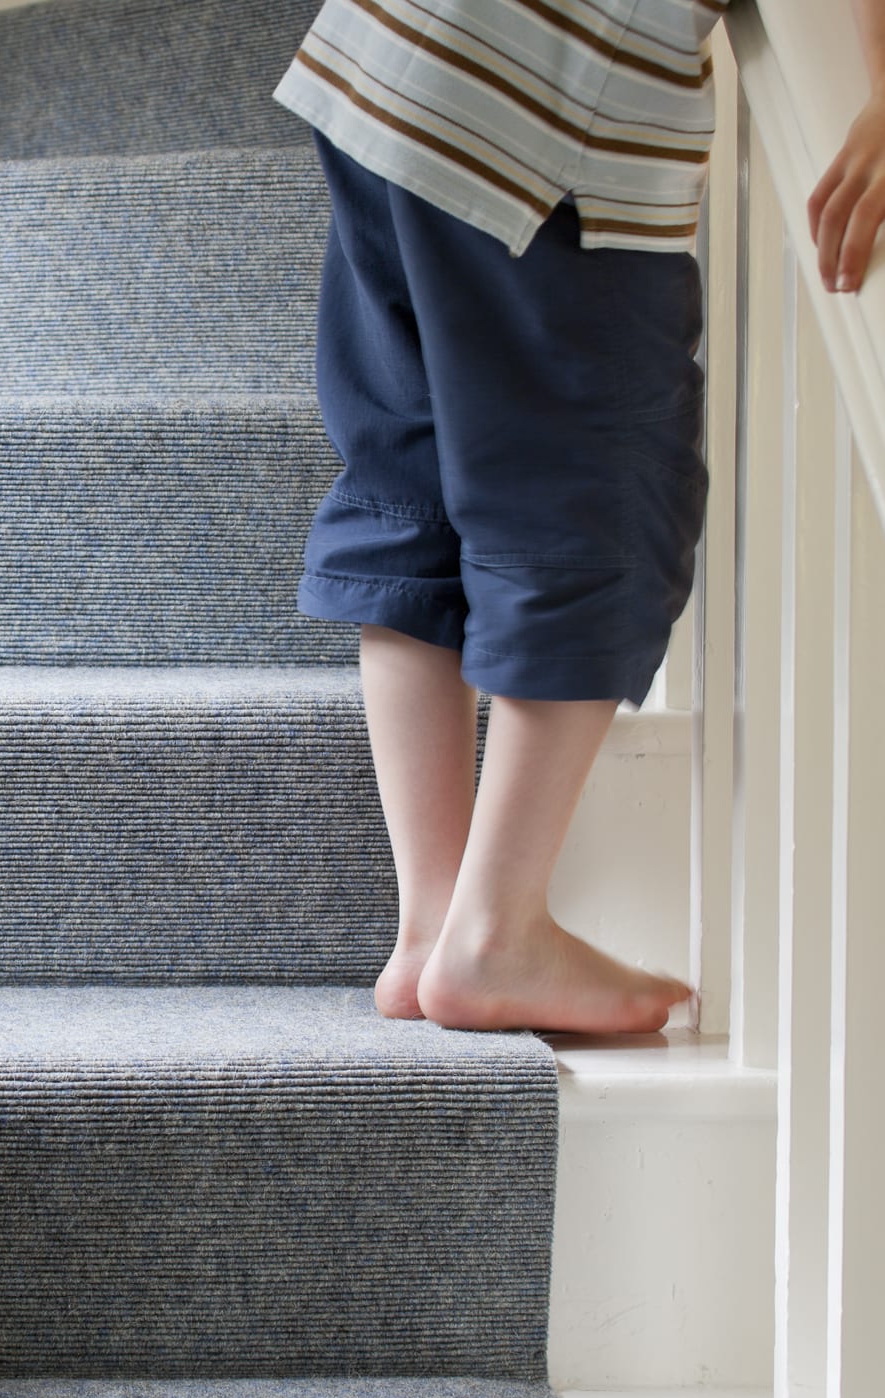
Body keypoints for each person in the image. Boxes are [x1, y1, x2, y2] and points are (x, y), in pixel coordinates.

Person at [271, 0, 885, 1033]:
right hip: (545, 102)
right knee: (594, 500)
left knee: (411, 480)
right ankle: (492, 930)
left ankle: (432, 921)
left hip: (389, 57)